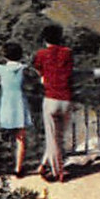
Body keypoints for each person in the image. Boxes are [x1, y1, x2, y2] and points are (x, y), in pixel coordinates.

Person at [32, 24, 74, 182]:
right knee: (58, 138)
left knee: (52, 138)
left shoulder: (41, 54)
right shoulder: (68, 53)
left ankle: (58, 172)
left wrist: (43, 76)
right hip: (66, 99)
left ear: (44, 38)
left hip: (50, 99)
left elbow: (38, 69)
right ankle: (43, 165)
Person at [0, 41, 35, 177]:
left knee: (3, 135)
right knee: (20, 138)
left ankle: (1, 165)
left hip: (6, 103)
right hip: (19, 103)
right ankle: (18, 168)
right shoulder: (23, 69)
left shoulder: (0, 69)